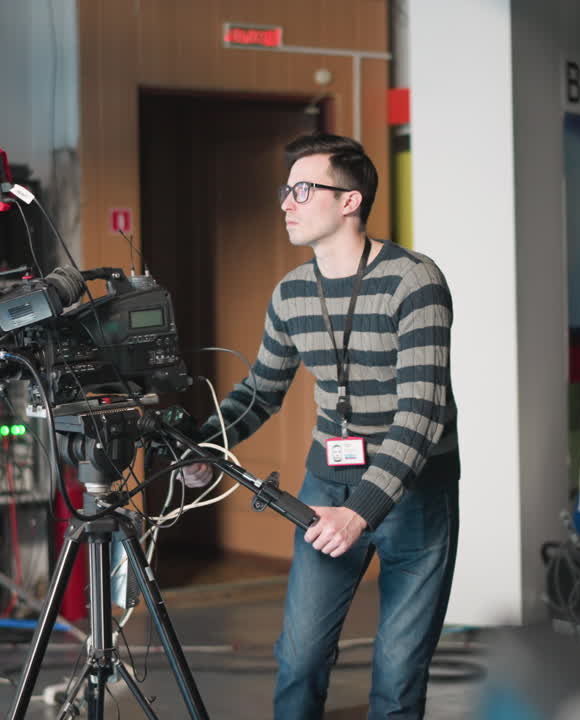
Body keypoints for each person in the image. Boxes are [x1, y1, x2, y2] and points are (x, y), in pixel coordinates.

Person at [179, 133, 459, 719]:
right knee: (301, 658)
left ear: (350, 200)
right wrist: (204, 442)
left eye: (303, 189)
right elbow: (261, 390)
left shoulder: (414, 281)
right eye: (287, 190)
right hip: (326, 486)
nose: (287, 202)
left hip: (414, 492)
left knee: (399, 674)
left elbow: (422, 411)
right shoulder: (291, 294)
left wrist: (360, 511)